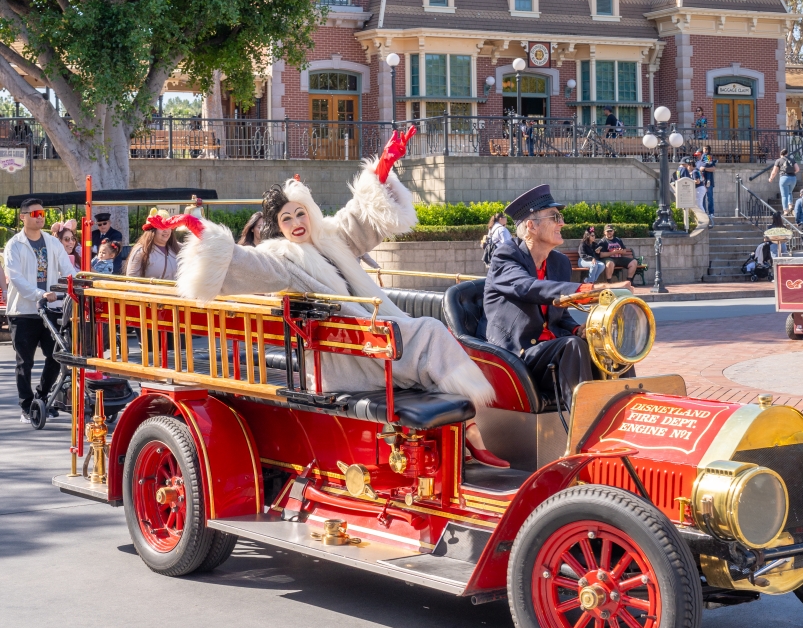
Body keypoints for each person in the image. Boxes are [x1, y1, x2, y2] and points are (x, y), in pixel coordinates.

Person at [174, 133, 495, 417]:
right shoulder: (282, 257)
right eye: (287, 218)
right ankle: (477, 422)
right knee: (431, 329)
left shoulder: (331, 236)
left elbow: (362, 217)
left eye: (301, 212)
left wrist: (382, 169)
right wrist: (201, 230)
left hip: (371, 337)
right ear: (280, 227)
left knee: (430, 330)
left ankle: (468, 426)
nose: (296, 221)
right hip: (343, 356)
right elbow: (247, 264)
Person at [484, 185, 630, 412]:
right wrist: (591, 291)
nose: (561, 223)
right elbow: (528, 287)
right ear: (531, 226)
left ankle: (626, 415)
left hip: (554, 349)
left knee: (610, 342)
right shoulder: (505, 256)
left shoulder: (558, 262)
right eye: (555, 217)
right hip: (517, 355)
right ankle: (583, 428)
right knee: (571, 347)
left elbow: (559, 316)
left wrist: (577, 329)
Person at [4, 198, 76, 425]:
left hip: (51, 309)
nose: (40, 217)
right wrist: (39, 294)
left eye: (42, 213)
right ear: (23, 217)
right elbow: (15, 278)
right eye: (34, 214)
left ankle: (41, 399)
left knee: (55, 356)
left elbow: (67, 270)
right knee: (24, 362)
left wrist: (78, 284)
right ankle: (26, 406)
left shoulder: (53, 244)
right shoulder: (14, 245)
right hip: (23, 311)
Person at [125, 209, 182, 279]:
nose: (166, 231)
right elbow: (132, 279)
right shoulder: (141, 251)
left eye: (168, 226)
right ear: (152, 230)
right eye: (162, 227)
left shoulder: (179, 248)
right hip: (151, 290)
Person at [769, 149, 799, 213]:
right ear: (787, 153)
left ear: (780, 154)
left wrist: (771, 178)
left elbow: (774, 172)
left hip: (784, 178)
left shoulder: (778, 160)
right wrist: (792, 172)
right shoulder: (792, 159)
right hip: (793, 178)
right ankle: (790, 205)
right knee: (790, 192)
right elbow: (797, 169)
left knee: (784, 195)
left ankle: (785, 210)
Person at [697, 147, 716, 225]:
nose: (697, 156)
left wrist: (704, 168)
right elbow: (698, 170)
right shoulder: (697, 162)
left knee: (710, 197)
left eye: (698, 155)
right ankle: (704, 212)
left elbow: (713, 168)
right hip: (701, 183)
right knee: (702, 198)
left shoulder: (707, 157)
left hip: (709, 182)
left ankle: (711, 212)